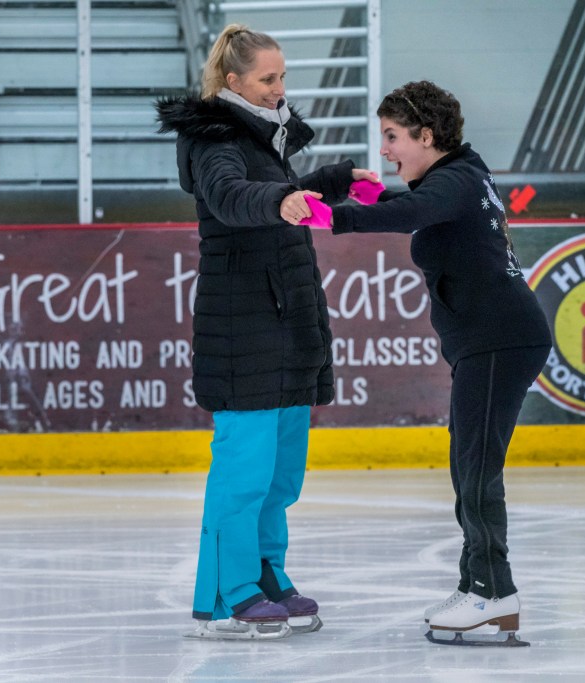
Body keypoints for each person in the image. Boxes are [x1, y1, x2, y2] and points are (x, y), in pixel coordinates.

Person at [302, 80, 552, 646]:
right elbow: (418, 204)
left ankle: (494, 591)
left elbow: (417, 208)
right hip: (492, 341)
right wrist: (367, 198)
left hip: (499, 340)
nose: (385, 150)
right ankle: (477, 584)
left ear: (427, 135)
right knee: (467, 466)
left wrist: (331, 217)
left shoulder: (457, 181)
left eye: (392, 137)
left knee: (477, 469)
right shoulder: (461, 173)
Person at [154, 24, 379, 640]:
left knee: (281, 475)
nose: (281, 90)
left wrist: (332, 180)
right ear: (234, 83)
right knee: (243, 473)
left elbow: (277, 189)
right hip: (243, 328)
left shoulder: (263, 136)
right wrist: (281, 201)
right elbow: (232, 196)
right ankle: (229, 596)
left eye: (283, 78)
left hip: (283, 325)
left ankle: (266, 575)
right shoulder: (215, 138)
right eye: (268, 79)